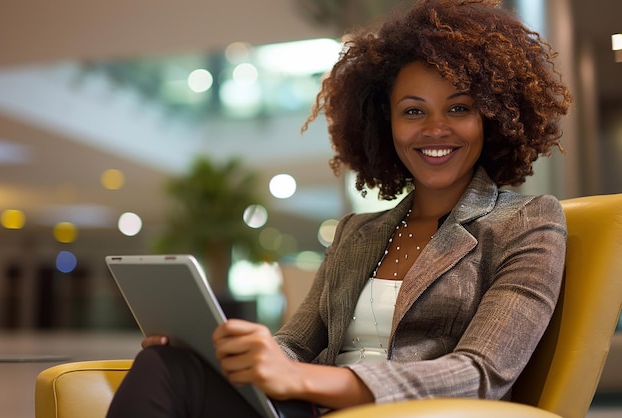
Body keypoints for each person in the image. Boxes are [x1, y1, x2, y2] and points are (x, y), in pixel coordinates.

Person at [107, 0, 572, 416]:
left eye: (458, 109)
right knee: (165, 364)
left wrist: (311, 380)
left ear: (490, 117)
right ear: (383, 122)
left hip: (407, 413)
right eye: (413, 111)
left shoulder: (528, 222)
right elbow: (295, 344)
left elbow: (480, 374)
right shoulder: (357, 231)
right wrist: (231, 352)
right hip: (311, 408)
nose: (435, 129)